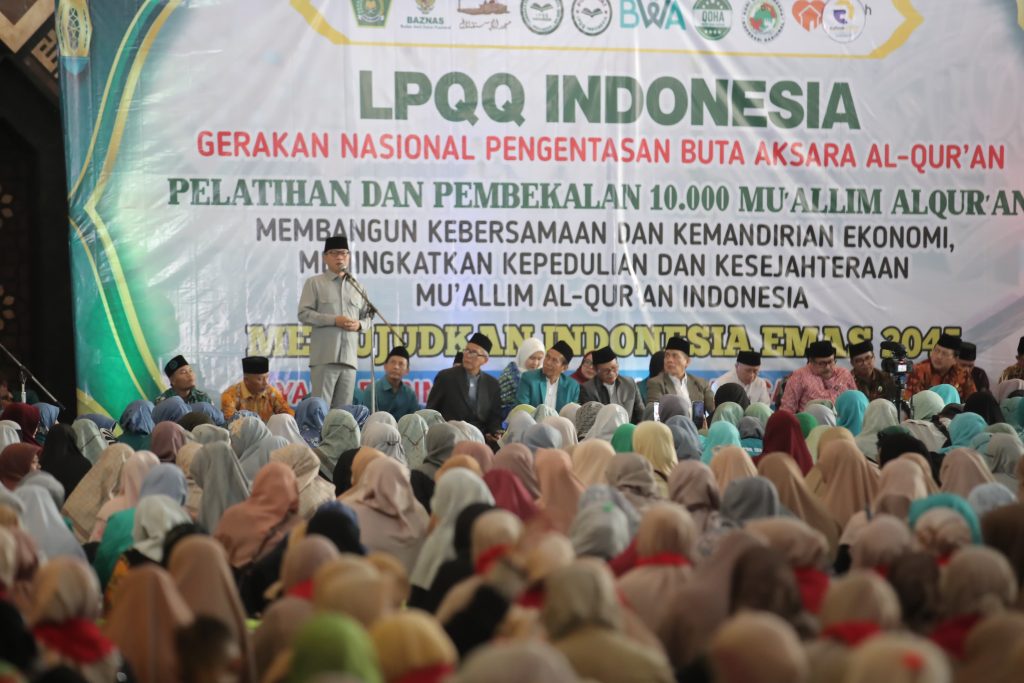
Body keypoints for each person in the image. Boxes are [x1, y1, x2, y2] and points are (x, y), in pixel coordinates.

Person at [297, 234, 372, 408]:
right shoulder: (315, 283)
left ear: (349, 257)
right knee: (321, 410)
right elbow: (304, 314)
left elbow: (368, 318)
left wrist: (359, 325)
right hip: (325, 358)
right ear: (325, 257)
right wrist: (334, 320)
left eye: (344, 253)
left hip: (349, 360)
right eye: (334, 253)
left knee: (343, 414)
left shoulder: (357, 287)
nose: (340, 257)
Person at [426, 333, 502, 443]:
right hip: (450, 438)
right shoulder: (445, 377)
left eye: (473, 352)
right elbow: (431, 412)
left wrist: (494, 432)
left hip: (480, 439)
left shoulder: (492, 384)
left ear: (485, 360)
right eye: (466, 350)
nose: (467, 355)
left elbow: (495, 418)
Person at [780, 340, 857, 413]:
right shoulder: (799, 376)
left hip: (842, 421)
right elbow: (787, 409)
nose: (827, 367)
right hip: (812, 421)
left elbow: (857, 401)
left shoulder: (844, 374)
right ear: (811, 361)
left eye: (830, 361)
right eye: (822, 363)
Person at [646, 336, 716, 412]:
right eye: (667, 356)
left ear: (687, 361)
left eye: (675, 356)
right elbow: (654, 413)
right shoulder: (656, 383)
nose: (669, 360)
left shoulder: (701, 384)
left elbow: (714, 411)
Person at [578, 347, 644, 424]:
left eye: (614, 368)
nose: (611, 373)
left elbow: (641, 413)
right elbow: (589, 421)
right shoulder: (588, 389)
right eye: (606, 370)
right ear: (596, 370)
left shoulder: (629, 383)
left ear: (618, 365)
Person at [219, 356, 293, 423]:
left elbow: (288, 415)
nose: (266, 383)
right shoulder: (230, 395)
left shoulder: (271, 393)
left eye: (267, 377)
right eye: (260, 379)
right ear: (246, 380)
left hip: (267, 432)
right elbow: (230, 421)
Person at [905, 334, 977, 400]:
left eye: (944, 354)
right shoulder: (919, 370)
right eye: (936, 351)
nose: (938, 356)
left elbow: (973, 400)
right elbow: (910, 401)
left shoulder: (962, 374)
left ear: (955, 359)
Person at [356, 346, 419, 420]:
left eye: (401, 364)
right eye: (393, 362)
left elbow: (415, 420)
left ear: (407, 370)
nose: (396, 367)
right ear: (385, 366)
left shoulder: (410, 394)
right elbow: (366, 420)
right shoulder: (372, 391)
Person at [516, 341, 580, 412]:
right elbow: (523, 409)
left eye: (554, 360)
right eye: (547, 357)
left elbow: (572, 413)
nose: (548, 362)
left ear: (564, 368)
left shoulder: (572, 386)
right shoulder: (529, 378)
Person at [497, 338, 545, 418]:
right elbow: (500, 406)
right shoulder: (509, 375)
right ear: (524, 355)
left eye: (539, 359)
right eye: (532, 358)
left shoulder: (543, 375)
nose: (535, 363)